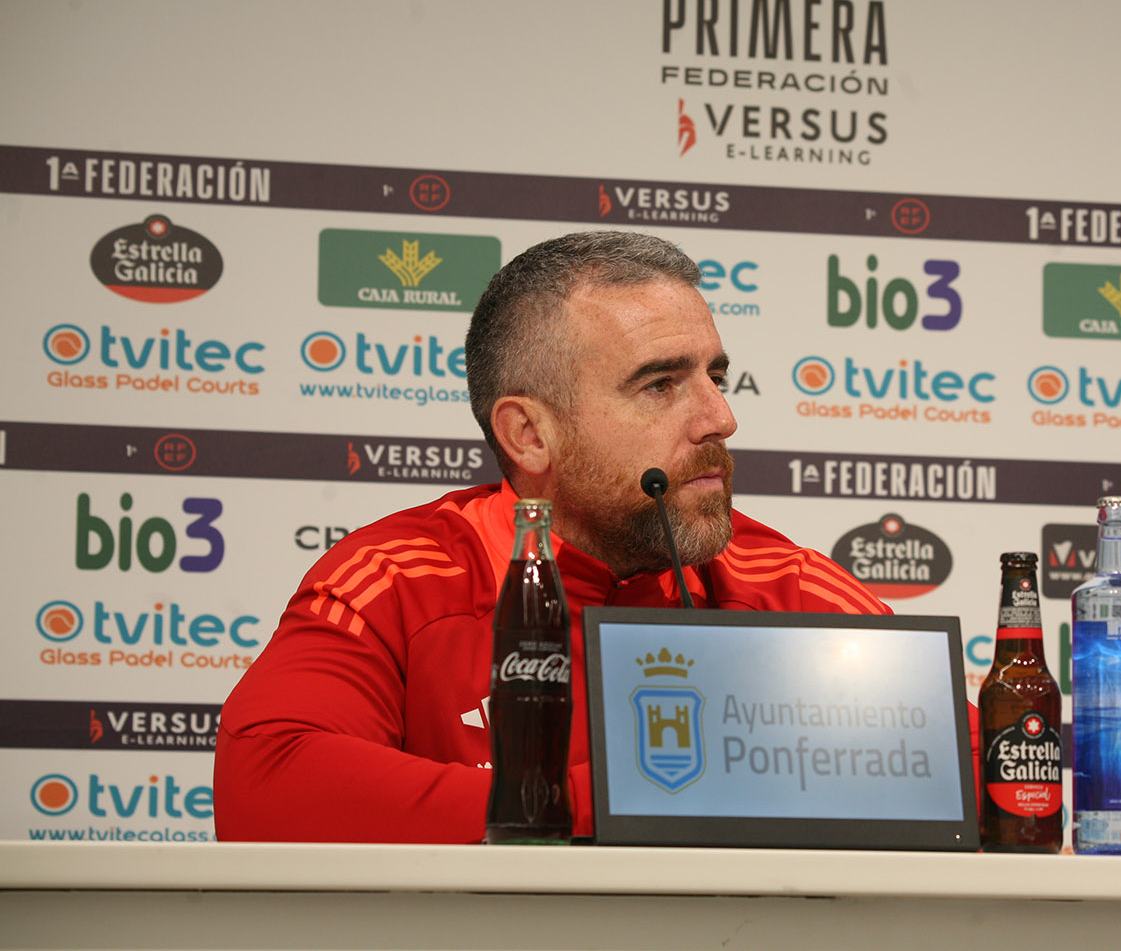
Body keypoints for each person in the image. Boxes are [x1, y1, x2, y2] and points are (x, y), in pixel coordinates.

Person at [213, 230, 911, 843]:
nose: (720, 417)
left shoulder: (781, 580)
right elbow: (268, 784)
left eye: (717, 376)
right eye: (661, 384)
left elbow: (973, 772)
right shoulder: (400, 576)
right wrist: (616, 803)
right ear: (529, 433)